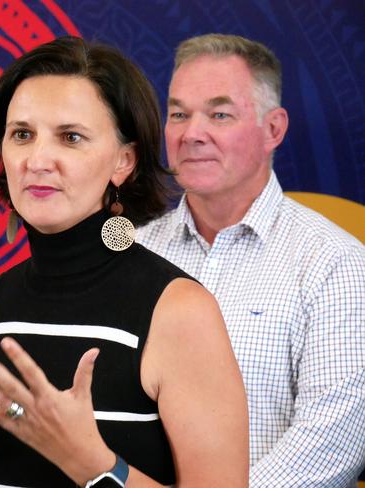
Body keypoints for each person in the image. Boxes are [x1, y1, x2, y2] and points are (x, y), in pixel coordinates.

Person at [0, 36, 249, 487]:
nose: (38, 160)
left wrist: (92, 462)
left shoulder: (179, 312)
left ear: (124, 160)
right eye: (22, 134)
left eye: (70, 137)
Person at [135, 33, 365, 487]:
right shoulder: (133, 250)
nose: (191, 133)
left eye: (219, 114)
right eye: (179, 113)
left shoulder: (336, 263)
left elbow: (334, 440)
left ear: (273, 129)